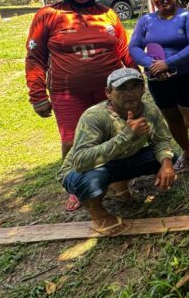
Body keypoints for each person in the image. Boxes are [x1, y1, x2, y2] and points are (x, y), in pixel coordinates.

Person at [25, 0, 134, 211]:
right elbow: (35, 57)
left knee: (117, 134)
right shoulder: (48, 16)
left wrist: (135, 78)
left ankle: (119, 183)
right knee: (73, 141)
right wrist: (37, 94)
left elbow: (123, 51)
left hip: (111, 91)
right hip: (68, 92)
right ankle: (77, 185)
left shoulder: (107, 14)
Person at [58, 68, 176, 236]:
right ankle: (98, 214)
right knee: (91, 179)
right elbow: (80, 161)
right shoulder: (94, 117)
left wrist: (166, 164)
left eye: (135, 86)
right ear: (108, 92)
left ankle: (117, 185)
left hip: (120, 160)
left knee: (167, 158)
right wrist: (127, 136)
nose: (129, 93)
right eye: (122, 88)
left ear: (143, 89)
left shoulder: (149, 110)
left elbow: (162, 140)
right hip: (79, 170)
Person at [129, 0, 189, 180]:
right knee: (173, 118)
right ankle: (187, 150)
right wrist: (152, 65)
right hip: (158, 80)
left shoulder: (188, 17)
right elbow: (134, 46)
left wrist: (168, 63)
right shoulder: (146, 21)